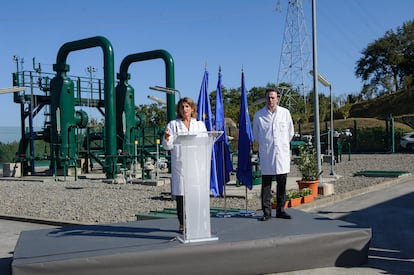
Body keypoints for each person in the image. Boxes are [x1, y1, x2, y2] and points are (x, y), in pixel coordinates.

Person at [162, 97, 207, 233]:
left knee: (195, 194)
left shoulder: (199, 125)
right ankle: (182, 223)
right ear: (179, 110)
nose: (184, 109)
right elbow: (167, 146)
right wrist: (166, 138)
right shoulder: (173, 125)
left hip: (195, 164)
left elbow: (205, 142)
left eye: (187, 106)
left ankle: (196, 221)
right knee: (181, 195)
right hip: (180, 165)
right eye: (182, 107)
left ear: (192, 108)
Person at [253, 88, 294, 221]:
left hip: (281, 153)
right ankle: (267, 212)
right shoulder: (259, 115)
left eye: (273, 97)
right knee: (266, 185)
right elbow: (256, 135)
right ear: (265, 99)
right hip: (267, 154)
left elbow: (290, 132)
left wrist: (281, 144)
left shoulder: (285, 113)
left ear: (277, 99)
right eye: (268, 97)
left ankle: (281, 210)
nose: (270, 100)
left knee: (282, 183)